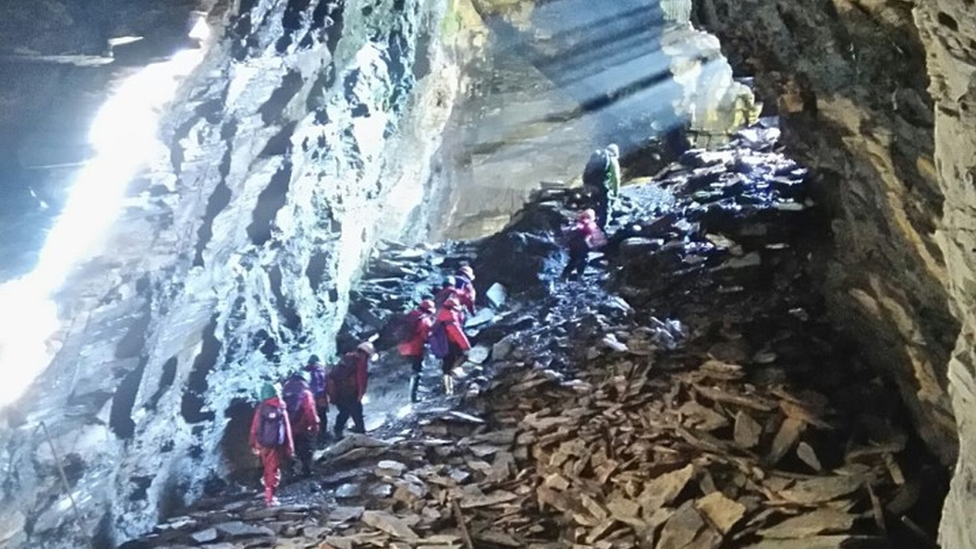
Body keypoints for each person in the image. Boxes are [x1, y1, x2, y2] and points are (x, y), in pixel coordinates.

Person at [249, 382, 294, 507]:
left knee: (268, 468)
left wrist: (253, 443)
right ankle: (270, 496)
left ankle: (268, 495)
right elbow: (287, 429)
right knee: (273, 469)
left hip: (263, 443)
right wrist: (290, 447)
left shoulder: (261, 408)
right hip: (276, 444)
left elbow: (255, 428)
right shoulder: (281, 407)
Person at [328, 341, 375, 438]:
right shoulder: (355, 361)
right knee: (355, 411)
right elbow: (358, 377)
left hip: (345, 391)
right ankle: (359, 431)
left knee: (345, 412)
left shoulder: (351, 360)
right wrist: (358, 391)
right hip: (348, 392)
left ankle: (338, 429)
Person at [429, 297, 471, 396]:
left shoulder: (440, 316)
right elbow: (456, 333)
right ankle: (452, 388)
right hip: (451, 345)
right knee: (460, 359)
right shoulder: (450, 317)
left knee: (446, 366)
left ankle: (448, 388)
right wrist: (466, 346)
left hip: (443, 345)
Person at [281, 371, 320, 476]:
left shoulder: (284, 392)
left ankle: (290, 471)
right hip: (302, 426)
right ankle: (306, 470)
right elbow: (310, 410)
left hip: (288, 427)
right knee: (305, 449)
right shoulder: (305, 393)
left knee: (290, 449)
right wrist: (314, 424)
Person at [398, 299, 436, 403]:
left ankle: (403, 390)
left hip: (402, 347)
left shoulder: (411, 314)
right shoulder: (425, 320)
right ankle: (413, 397)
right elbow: (426, 336)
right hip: (415, 348)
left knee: (409, 369)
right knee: (416, 372)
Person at [582, 143, 621, 229]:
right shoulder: (612, 160)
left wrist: (585, 185)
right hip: (601, 186)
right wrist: (616, 193)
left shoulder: (596, 156)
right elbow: (616, 178)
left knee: (594, 203)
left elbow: (586, 170)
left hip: (590, 184)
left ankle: (588, 222)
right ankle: (603, 227)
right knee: (606, 206)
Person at [561, 209, 606, 279]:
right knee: (574, 261)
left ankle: (579, 275)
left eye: (588, 217)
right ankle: (565, 276)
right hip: (577, 247)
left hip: (582, 248)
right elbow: (585, 237)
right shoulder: (580, 226)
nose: (585, 219)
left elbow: (595, 235)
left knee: (582, 261)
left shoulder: (590, 226)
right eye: (584, 217)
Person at [303, 354, 329, 443]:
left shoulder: (309, 373)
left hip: (313, 399)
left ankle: (317, 438)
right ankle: (323, 437)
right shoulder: (322, 370)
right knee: (323, 418)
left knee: (314, 418)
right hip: (322, 398)